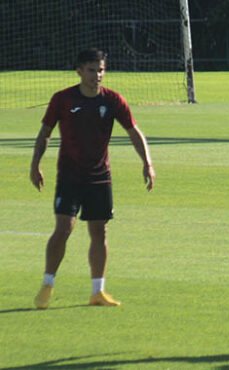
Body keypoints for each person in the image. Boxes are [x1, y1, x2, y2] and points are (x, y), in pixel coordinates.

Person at [30, 48, 155, 309]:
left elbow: (133, 132)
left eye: (100, 70)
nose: (96, 75)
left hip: (100, 176)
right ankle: (47, 285)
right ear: (79, 71)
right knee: (64, 228)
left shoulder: (112, 101)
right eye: (91, 70)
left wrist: (147, 163)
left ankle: (98, 291)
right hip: (70, 176)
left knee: (99, 231)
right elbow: (45, 133)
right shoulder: (62, 99)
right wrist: (35, 164)